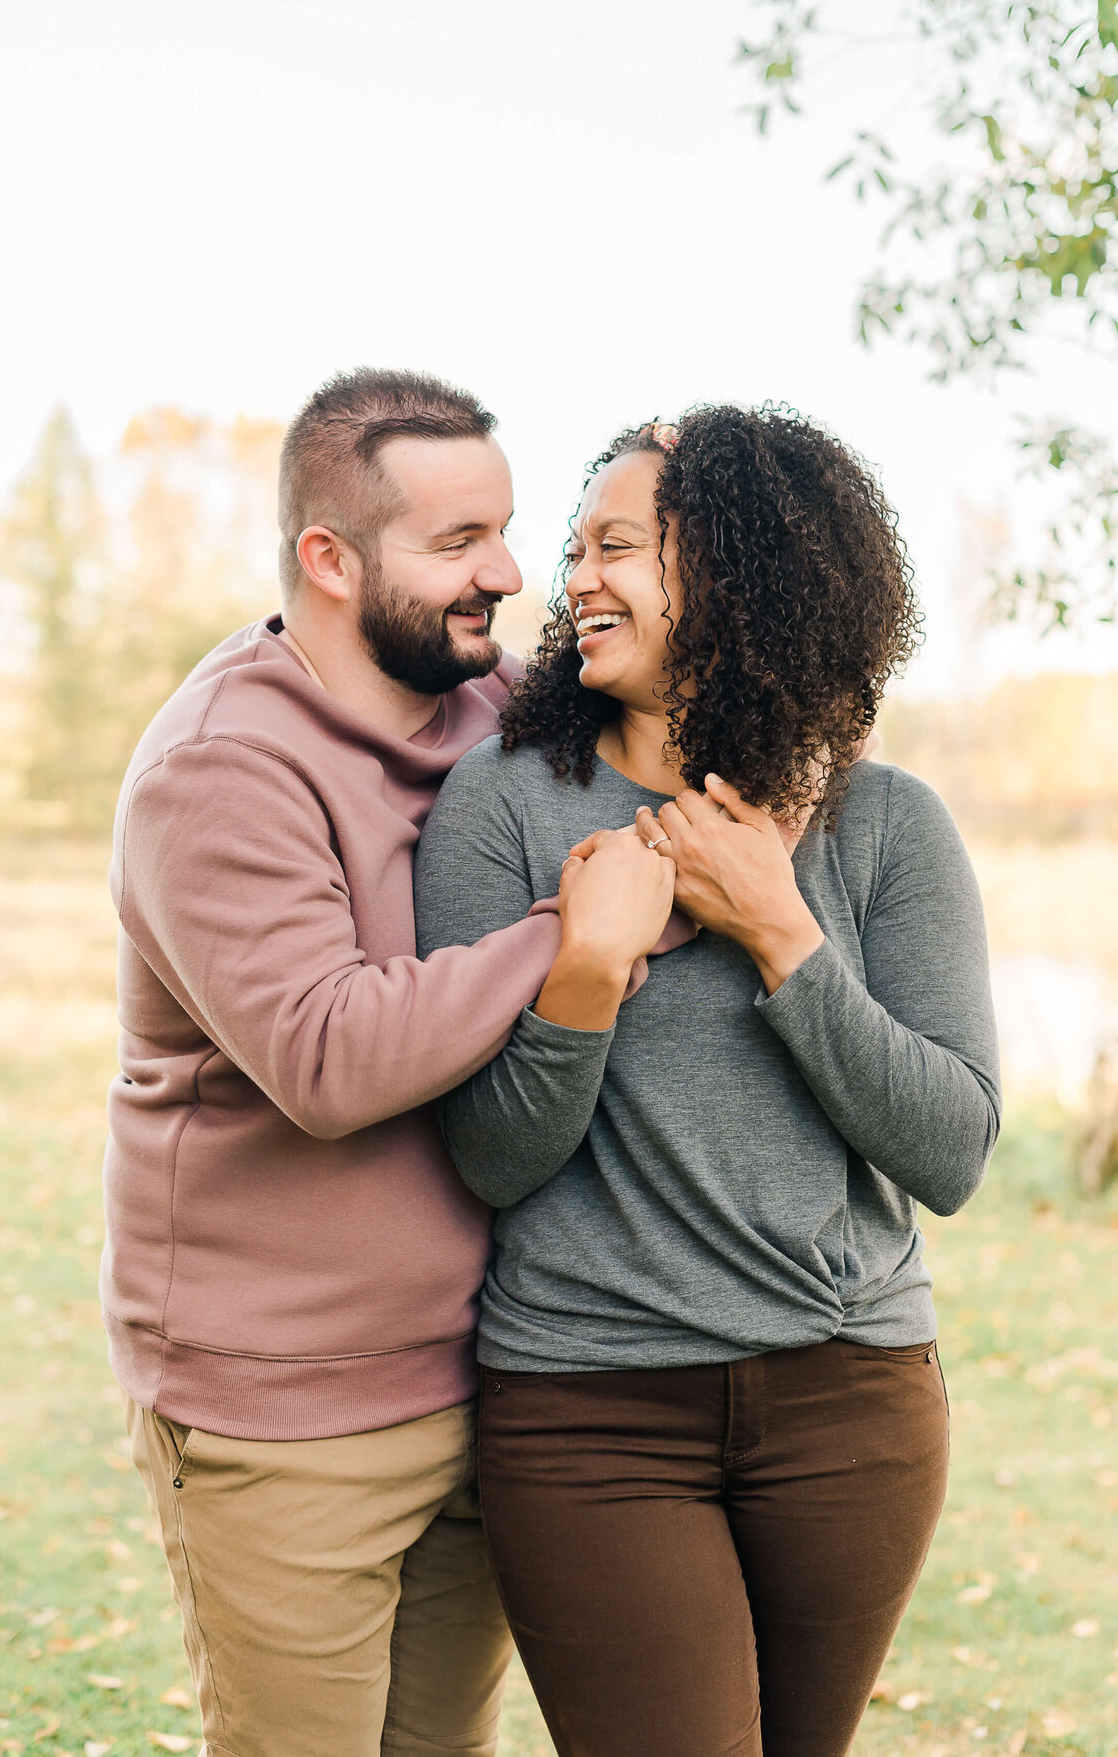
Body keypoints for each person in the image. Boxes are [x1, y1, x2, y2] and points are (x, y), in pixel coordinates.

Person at [415, 405, 1003, 1757]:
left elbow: (955, 1152)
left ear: (739, 573)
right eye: (576, 549)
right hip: (590, 1412)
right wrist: (582, 975)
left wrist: (777, 927)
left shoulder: (889, 825)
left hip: (853, 1405)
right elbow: (492, 1162)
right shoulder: (505, 805)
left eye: (617, 545)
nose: (573, 581)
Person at [104, 369, 668, 1757]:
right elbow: (328, 1056)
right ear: (330, 560)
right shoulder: (221, 767)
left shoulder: (499, 709)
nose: (509, 574)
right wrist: (568, 933)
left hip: (485, 1370)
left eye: (510, 529)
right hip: (284, 1412)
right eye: (458, 543)